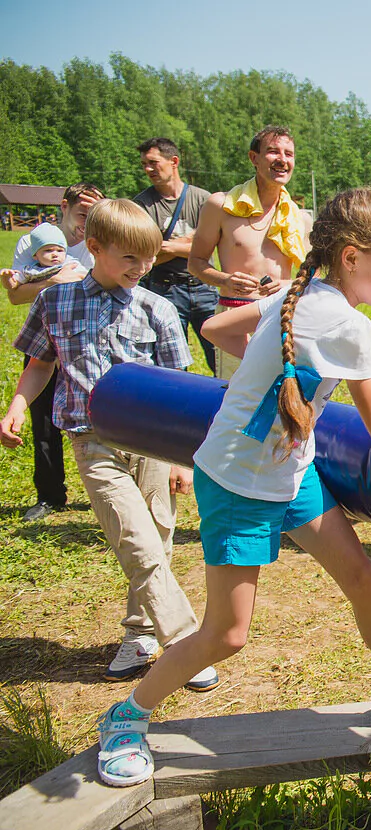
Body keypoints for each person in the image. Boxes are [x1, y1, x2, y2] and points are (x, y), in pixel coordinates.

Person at [90, 188, 371, 788]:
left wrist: (278, 377)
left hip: (292, 473)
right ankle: (126, 716)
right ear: (351, 257)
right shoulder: (345, 323)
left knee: (362, 577)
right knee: (227, 635)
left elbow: (215, 327)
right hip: (238, 483)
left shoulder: (301, 295)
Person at [0, 199, 216, 693]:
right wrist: (17, 405)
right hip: (92, 440)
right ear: (95, 247)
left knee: (158, 536)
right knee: (136, 540)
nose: (142, 268)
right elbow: (40, 364)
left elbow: (178, 389)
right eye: (130, 258)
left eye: (149, 258)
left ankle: (139, 634)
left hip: (154, 444)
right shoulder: (54, 301)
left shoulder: (157, 308)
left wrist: (183, 459)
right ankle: (185, 645)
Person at [6, 183, 104, 523]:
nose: (86, 222)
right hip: (47, 334)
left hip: (88, 338)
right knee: (43, 418)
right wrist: (54, 280)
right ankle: (49, 494)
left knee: (101, 413)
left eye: (93, 215)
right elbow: (16, 295)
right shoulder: (33, 240)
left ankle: (110, 487)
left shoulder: (99, 241)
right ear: (64, 207)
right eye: (82, 214)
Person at [188, 125, 310, 380]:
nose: (282, 160)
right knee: (235, 391)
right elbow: (196, 262)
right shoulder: (220, 205)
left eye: (289, 154)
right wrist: (225, 280)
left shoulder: (299, 217)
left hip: (281, 314)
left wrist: (288, 284)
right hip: (234, 314)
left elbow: (315, 275)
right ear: (254, 158)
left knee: (280, 392)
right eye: (273, 152)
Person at [133, 137, 218, 371]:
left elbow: (212, 245)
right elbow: (146, 254)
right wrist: (192, 241)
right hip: (164, 290)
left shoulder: (203, 199)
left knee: (220, 357)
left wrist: (166, 246)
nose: (148, 169)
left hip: (204, 287)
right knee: (172, 364)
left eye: (153, 162)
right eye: (144, 164)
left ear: (174, 161)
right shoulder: (141, 205)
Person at [1, 223, 89, 290]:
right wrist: (6, 278)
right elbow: (12, 285)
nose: (55, 254)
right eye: (48, 250)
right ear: (35, 255)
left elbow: (87, 277)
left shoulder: (70, 264)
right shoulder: (30, 271)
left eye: (60, 250)